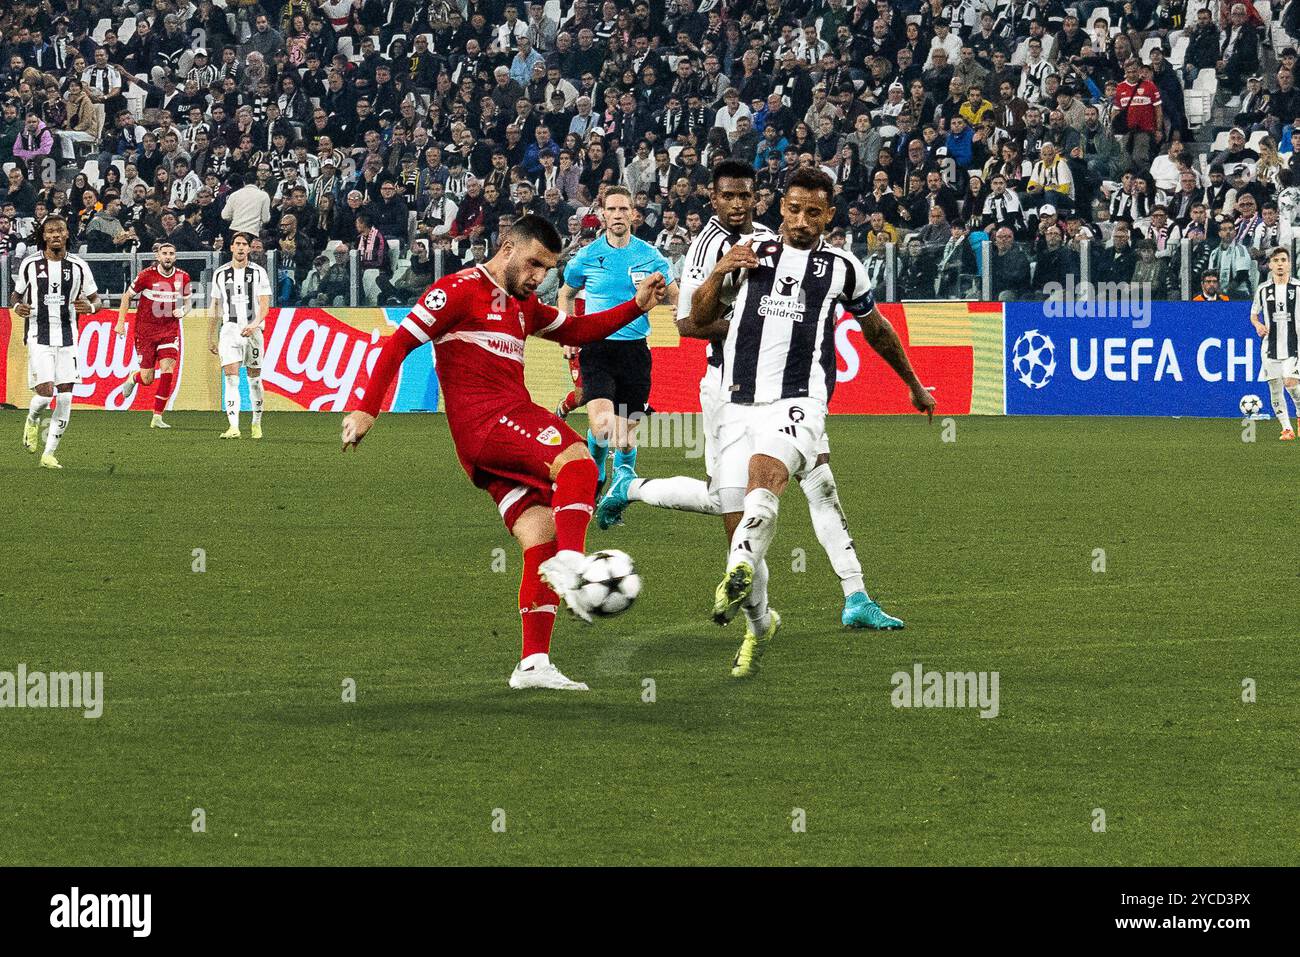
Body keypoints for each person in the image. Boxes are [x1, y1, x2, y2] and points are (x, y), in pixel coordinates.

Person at [339, 215, 667, 691]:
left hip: (492, 441)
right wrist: (367, 410)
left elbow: (578, 330)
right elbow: (397, 345)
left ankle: (533, 664)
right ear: (508, 247)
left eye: (547, 270)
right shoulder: (458, 290)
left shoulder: (524, 305)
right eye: (534, 264)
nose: (538, 277)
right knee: (575, 457)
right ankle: (576, 568)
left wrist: (637, 306)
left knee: (541, 535)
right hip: (488, 424)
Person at [597, 159, 906, 630]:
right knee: (727, 501)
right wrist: (760, 325)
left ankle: (855, 594)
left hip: (791, 392)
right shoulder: (712, 245)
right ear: (713, 199)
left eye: (746, 196)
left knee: (820, 483)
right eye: (728, 197)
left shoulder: (772, 237)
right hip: (730, 387)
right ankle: (636, 489)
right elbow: (687, 323)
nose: (738, 204)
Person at [676, 167, 935, 677]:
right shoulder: (751, 252)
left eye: (812, 212)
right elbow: (695, 319)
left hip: (800, 400)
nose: (800, 220)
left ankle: (834, 587)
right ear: (781, 208)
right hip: (736, 403)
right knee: (736, 510)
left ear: (829, 216)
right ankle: (758, 620)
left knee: (771, 482)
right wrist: (720, 271)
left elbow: (877, 329)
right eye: (792, 209)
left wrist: (914, 383)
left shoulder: (843, 267)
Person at [557, 186, 678, 491]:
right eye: (611, 209)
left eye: (623, 209)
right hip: (597, 350)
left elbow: (675, 295)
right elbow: (566, 294)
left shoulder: (650, 256)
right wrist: (567, 333)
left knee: (624, 440)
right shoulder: (586, 256)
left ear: (632, 215)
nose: (618, 215)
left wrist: (679, 310)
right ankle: (597, 472)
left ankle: (620, 493)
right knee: (601, 427)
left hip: (635, 353)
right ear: (602, 215)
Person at [14, 216, 100, 470]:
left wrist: (92, 308)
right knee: (45, 392)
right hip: (39, 337)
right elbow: (16, 296)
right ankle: (32, 420)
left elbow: (97, 300)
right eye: (50, 231)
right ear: (43, 236)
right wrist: (18, 306)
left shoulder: (78, 266)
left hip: (68, 338)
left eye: (59, 230)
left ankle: (49, 453)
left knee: (65, 397)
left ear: (66, 234)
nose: (55, 235)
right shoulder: (30, 264)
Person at [116, 241, 192, 429]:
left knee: (167, 370)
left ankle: (157, 416)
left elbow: (188, 302)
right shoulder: (146, 276)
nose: (168, 256)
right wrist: (120, 322)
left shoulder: (183, 277)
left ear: (175, 256)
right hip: (146, 331)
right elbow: (127, 296)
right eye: (164, 253)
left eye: (171, 253)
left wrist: (183, 311)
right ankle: (134, 378)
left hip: (169, 330)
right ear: (158, 256)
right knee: (147, 378)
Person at [208, 232, 272, 440]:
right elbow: (216, 306)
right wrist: (211, 336)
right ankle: (233, 426)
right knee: (232, 379)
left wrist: (255, 324)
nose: (242, 247)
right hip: (229, 331)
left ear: (249, 249)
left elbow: (264, 305)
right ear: (232, 247)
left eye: (245, 244)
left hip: (253, 332)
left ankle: (256, 423)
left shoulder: (259, 272)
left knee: (254, 380)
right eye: (238, 244)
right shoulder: (220, 273)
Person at [1249, 246, 1300, 440]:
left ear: (1289, 264)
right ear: (1270, 265)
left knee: (1290, 383)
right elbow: (1254, 314)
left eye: (1283, 260)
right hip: (1270, 347)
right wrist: (1258, 325)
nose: (1280, 264)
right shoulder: (1263, 290)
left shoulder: (1297, 288)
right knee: (1275, 387)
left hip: (1294, 346)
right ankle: (1287, 429)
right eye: (1276, 261)